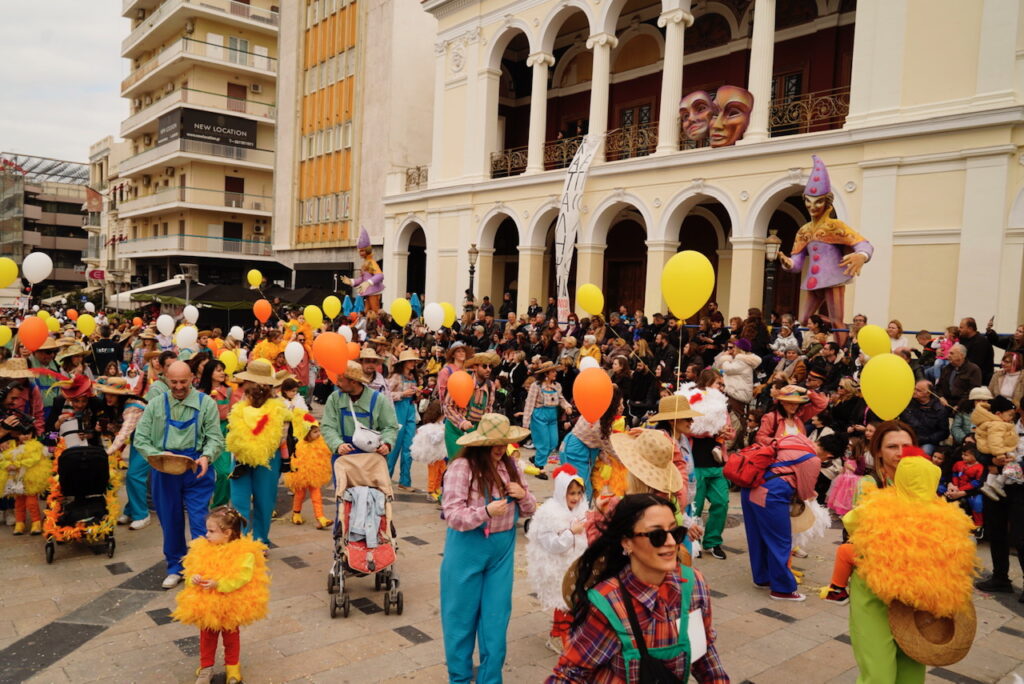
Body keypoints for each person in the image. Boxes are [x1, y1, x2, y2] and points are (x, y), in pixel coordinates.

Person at [549, 493, 728, 682]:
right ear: (627, 542)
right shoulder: (607, 604)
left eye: (675, 533)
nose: (671, 543)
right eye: (656, 535)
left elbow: (705, 657)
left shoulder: (693, 586)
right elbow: (569, 675)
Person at [844, 455, 976, 683]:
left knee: (877, 667)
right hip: (918, 601)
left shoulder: (876, 506)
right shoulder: (947, 515)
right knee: (912, 662)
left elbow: (850, 521)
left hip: (875, 593)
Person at [440, 413, 536, 684]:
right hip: (466, 548)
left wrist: (523, 496)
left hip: (502, 550)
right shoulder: (462, 467)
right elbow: (452, 514)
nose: (500, 447)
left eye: (504, 442)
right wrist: (484, 511)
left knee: (496, 620)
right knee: (459, 619)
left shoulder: (512, 466)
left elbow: (530, 509)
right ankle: (458, 679)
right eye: (494, 442)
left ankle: (490, 679)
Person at [134, 361, 224, 589]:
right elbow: (140, 439)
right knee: (170, 520)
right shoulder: (155, 405)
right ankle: (175, 567)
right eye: (173, 382)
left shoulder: (206, 404)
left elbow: (215, 438)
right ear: (165, 378)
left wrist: (207, 456)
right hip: (164, 470)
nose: (178, 386)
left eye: (183, 381)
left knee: (200, 521)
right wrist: (157, 454)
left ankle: (200, 568)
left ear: (193, 378)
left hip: (196, 469)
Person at [778, 155, 873, 347]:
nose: (813, 207)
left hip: (834, 277)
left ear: (827, 202)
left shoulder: (835, 226)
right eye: (809, 201)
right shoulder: (804, 230)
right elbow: (797, 262)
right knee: (804, 320)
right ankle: (818, 338)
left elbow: (864, 244)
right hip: (814, 281)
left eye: (818, 202)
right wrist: (788, 263)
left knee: (837, 320)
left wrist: (861, 256)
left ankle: (841, 350)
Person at [172, 506, 269, 684]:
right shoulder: (202, 549)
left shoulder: (244, 553)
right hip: (207, 604)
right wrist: (192, 578)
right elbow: (190, 571)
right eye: (207, 530)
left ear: (227, 533)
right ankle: (205, 668)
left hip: (231, 602)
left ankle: (232, 668)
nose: (206, 535)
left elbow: (242, 577)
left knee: (231, 636)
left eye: (211, 531)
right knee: (207, 637)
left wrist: (219, 584)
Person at [739, 433, 821, 601]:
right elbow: (806, 492)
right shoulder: (813, 459)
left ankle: (763, 577)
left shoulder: (794, 438)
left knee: (758, 536)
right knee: (780, 540)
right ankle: (782, 589)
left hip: (750, 486)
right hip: (771, 494)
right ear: (830, 454)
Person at [226, 359, 291, 546]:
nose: (252, 387)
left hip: (268, 458)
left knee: (264, 501)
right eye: (250, 382)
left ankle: (260, 541)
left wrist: (257, 443)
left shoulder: (279, 406)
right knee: (239, 502)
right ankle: (241, 542)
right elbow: (233, 430)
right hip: (240, 459)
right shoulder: (241, 403)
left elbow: (280, 437)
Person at [526, 464, 589, 653]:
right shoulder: (549, 513)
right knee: (563, 603)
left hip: (576, 566)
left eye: (579, 493)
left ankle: (558, 635)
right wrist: (571, 532)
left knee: (573, 602)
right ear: (562, 493)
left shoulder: (581, 509)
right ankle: (562, 637)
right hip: (557, 569)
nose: (576, 498)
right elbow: (551, 544)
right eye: (572, 494)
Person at [975, 396, 1024, 599]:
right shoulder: (1003, 423)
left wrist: (1014, 466)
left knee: (1021, 537)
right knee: (996, 530)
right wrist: (991, 459)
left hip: (1021, 488)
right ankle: (1000, 577)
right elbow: (978, 449)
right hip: (996, 484)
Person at [321, 361, 399, 465]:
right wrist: (338, 445)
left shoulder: (378, 400)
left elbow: (390, 426)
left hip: (371, 459)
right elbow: (327, 426)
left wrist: (387, 443)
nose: (337, 384)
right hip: (343, 458)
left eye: (340, 380)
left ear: (353, 382)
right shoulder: (334, 399)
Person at [442, 351, 496, 459]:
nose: (488, 369)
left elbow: (489, 408)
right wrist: (462, 422)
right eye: (484, 366)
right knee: (457, 464)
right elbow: (447, 406)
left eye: (490, 366)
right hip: (455, 428)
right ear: (475, 367)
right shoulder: (462, 380)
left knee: (476, 465)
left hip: (476, 430)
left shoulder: (491, 385)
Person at [0, 417, 48, 536]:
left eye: (28, 433)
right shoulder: (10, 445)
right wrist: (7, 465)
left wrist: (17, 464)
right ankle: (19, 523)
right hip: (14, 479)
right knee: (18, 503)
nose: (25, 436)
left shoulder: (35, 445)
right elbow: (3, 457)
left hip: (30, 477)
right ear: (16, 433)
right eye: (22, 433)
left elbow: (34, 459)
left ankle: (36, 522)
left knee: (32, 502)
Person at [198, 360, 235, 509]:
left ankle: (220, 504)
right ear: (209, 373)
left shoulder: (229, 391)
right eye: (218, 370)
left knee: (225, 472)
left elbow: (234, 412)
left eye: (223, 370)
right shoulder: (200, 393)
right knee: (203, 472)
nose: (222, 373)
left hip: (225, 431)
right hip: (205, 433)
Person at [523, 361, 573, 470]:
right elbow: (529, 404)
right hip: (539, 416)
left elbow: (561, 398)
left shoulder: (557, 386)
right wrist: (526, 423)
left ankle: (537, 458)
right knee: (543, 444)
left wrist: (567, 406)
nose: (555, 373)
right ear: (546, 374)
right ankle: (539, 467)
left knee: (554, 442)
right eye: (553, 371)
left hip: (552, 416)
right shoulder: (536, 386)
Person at [285, 418, 332, 529]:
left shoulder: (320, 442)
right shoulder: (300, 445)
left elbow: (325, 455)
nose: (318, 434)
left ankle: (320, 517)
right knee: (299, 495)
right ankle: (296, 513)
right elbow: (295, 459)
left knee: (317, 496)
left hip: (314, 475)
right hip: (301, 475)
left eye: (319, 431)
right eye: (315, 432)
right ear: (307, 433)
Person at [387, 349, 421, 490]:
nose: (413, 363)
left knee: (409, 448)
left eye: (414, 361)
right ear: (404, 363)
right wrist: (402, 394)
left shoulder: (414, 376)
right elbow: (385, 394)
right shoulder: (396, 376)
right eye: (411, 361)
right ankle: (385, 478)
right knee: (394, 447)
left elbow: (415, 397)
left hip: (410, 410)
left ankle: (405, 481)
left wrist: (417, 395)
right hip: (397, 411)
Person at [756, 385, 828, 443]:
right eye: (790, 403)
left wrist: (805, 391)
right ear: (782, 402)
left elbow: (822, 404)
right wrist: (776, 441)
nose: (794, 406)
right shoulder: (771, 417)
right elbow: (760, 438)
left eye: (796, 403)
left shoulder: (800, 414)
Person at [899, 380, 950, 455]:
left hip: (927, 441)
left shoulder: (939, 409)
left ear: (928, 393)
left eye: (918, 390)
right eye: (914, 389)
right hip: (908, 437)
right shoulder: (907, 402)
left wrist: (926, 439)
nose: (914, 391)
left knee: (924, 453)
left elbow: (944, 432)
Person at [411, 400, 447, 502]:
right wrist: (443, 432)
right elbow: (434, 440)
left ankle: (436, 489)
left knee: (441, 473)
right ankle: (431, 492)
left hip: (441, 455)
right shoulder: (429, 428)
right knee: (433, 474)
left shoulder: (440, 424)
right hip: (433, 456)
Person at [959, 317, 995, 384]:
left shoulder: (981, 342)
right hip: (966, 373)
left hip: (979, 378)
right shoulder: (963, 338)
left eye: (961, 327)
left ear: (970, 329)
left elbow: (975, 363)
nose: (959, 329)